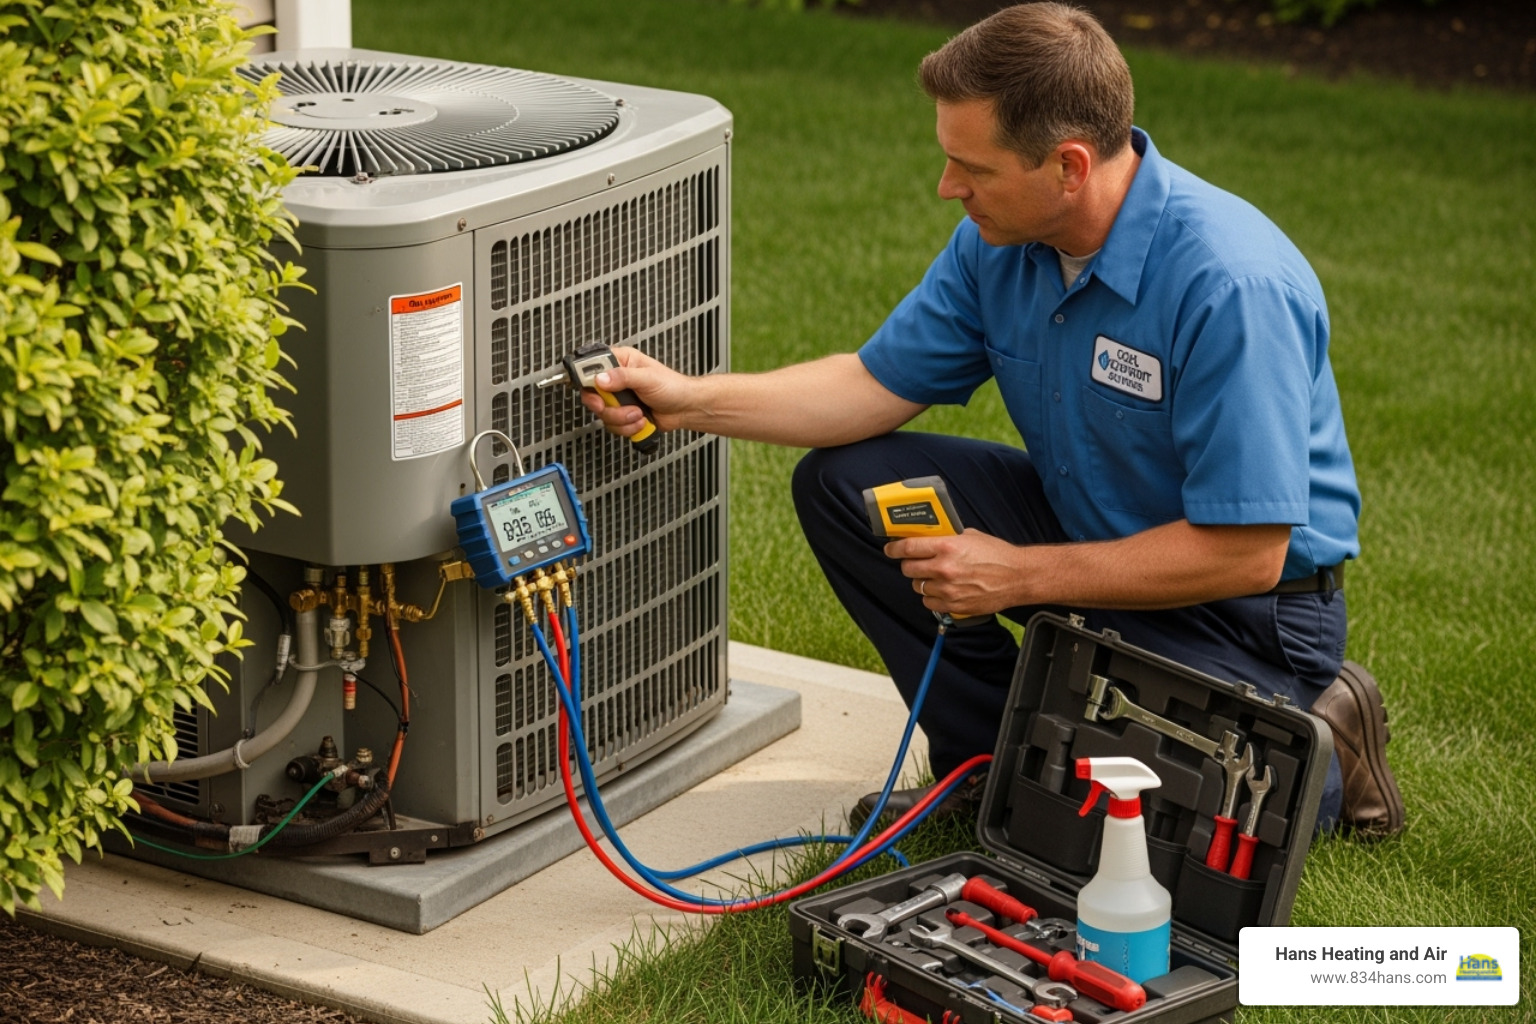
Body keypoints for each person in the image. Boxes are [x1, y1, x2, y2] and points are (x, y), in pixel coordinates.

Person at [582, 2, 1402, 838]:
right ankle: (987, 761)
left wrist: (1016, 577)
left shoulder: (1231, 286)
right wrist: (692, 401)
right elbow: (869, 385)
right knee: (846, 483)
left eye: (971, 166)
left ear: (1069, 166)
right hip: (1087, 527)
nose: (948, 187)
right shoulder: (997, 244)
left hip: (1247, 610)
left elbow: (1249, 551)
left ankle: (1325, 738)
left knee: (1127, 835)